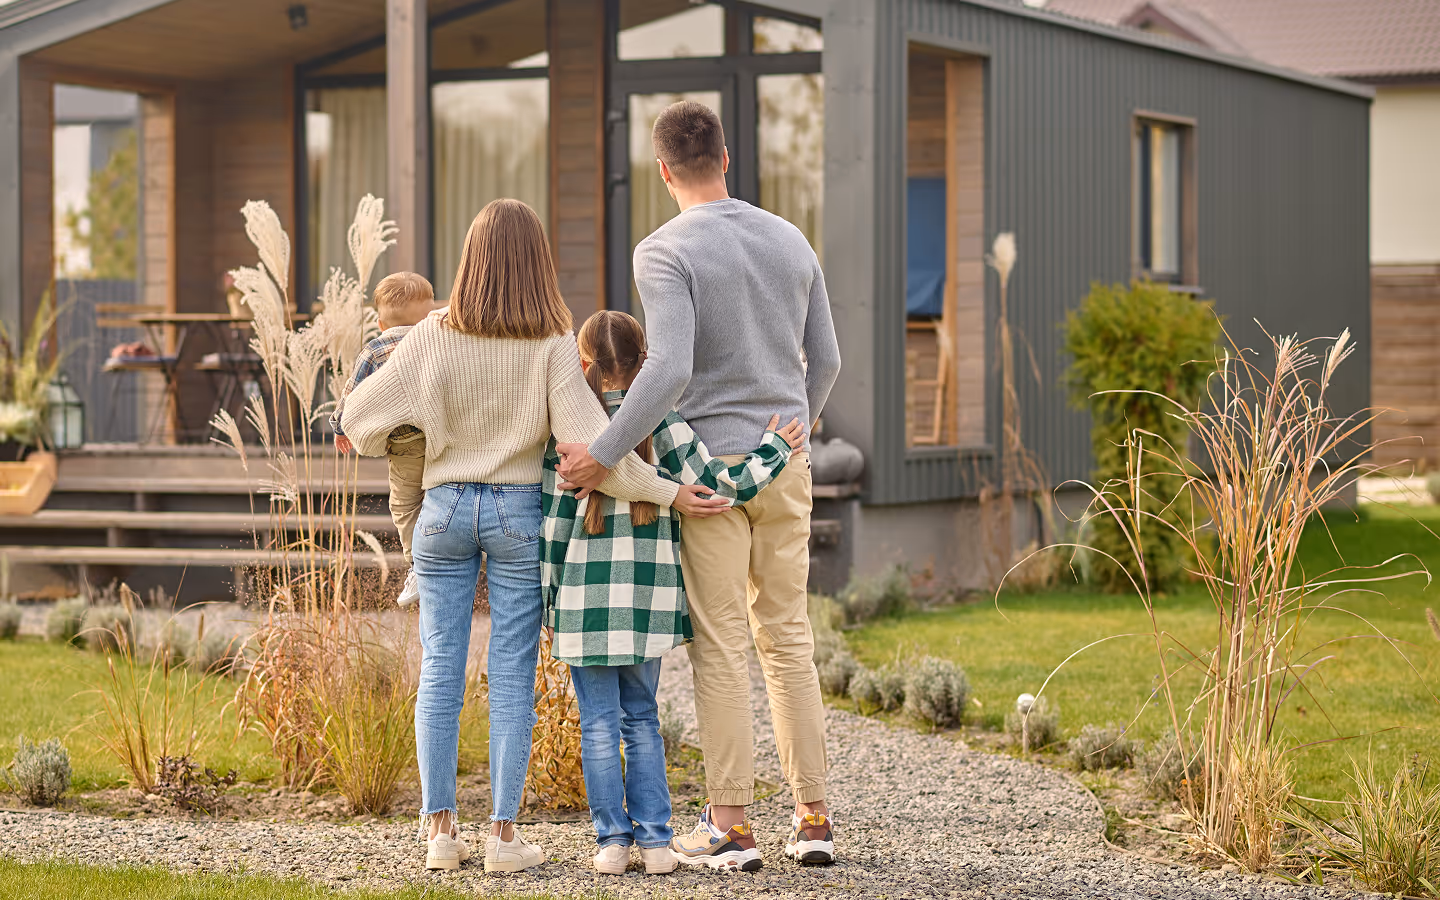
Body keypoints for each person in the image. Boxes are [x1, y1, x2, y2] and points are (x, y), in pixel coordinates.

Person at [339, 199, 729, 874]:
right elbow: (594, 455)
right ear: (538, 263)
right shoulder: (552, 345)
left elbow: (356, 419)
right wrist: (670, 492)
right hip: (518, 515)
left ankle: (439, 834)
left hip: (441, 510)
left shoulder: (429, 335)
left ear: (470, 260)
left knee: (439, 669)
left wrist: (416, 438)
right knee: (512, 676)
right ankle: (502, 839)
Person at [556, 100, 843, 870]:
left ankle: (732, 828)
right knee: (787, 640)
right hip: (784, 463)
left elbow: (671, 366)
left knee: (721, 648)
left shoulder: (663, 249)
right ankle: (813, 819)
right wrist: (793, 437)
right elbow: (830, 358)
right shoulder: (791, 239)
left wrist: (603, 452)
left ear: (661, 172)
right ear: (725, 157)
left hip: (707, 477)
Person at [542, 310, 804, 876]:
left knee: (597, 725)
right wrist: (775, 448)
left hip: (584, 608)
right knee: (642, 719)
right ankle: (658, 843)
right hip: (648, 604)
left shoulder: (568, 430)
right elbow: (718, 487)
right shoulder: (663, 422)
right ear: (647, 365)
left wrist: (551, 599)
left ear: (582, 364)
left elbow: (553, 526)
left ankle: (612, 843)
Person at [331, 272, 437, 607]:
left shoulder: (375, 349)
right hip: (444, 435)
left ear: (380, 323)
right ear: (430, 313)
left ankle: (419, 564)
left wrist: (339, 426)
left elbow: (352, 394)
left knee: (405, 504)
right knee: (438, 497)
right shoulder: (439, 340)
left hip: (405, 443)